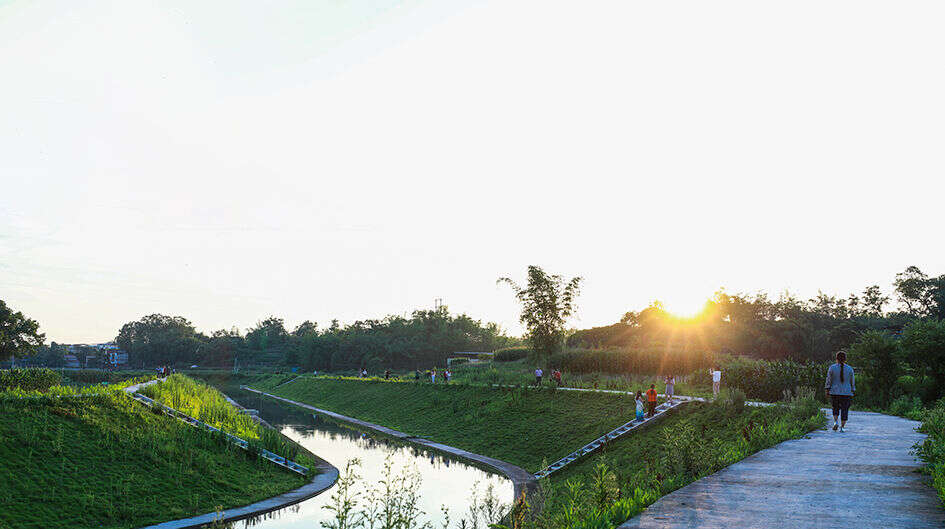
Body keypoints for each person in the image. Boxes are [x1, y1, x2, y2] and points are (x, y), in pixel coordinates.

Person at [825, 351, 855, 432]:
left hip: (834, 391)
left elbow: (829, 380)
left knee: (835, 407)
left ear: (836, 358)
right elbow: (852, 381)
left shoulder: (832, 367)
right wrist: (853, 390)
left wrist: (827, 389)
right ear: (845, 359)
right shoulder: (850, 369)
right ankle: (842, 427)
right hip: (847, 392)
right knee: (845, 409)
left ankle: (835, 422)